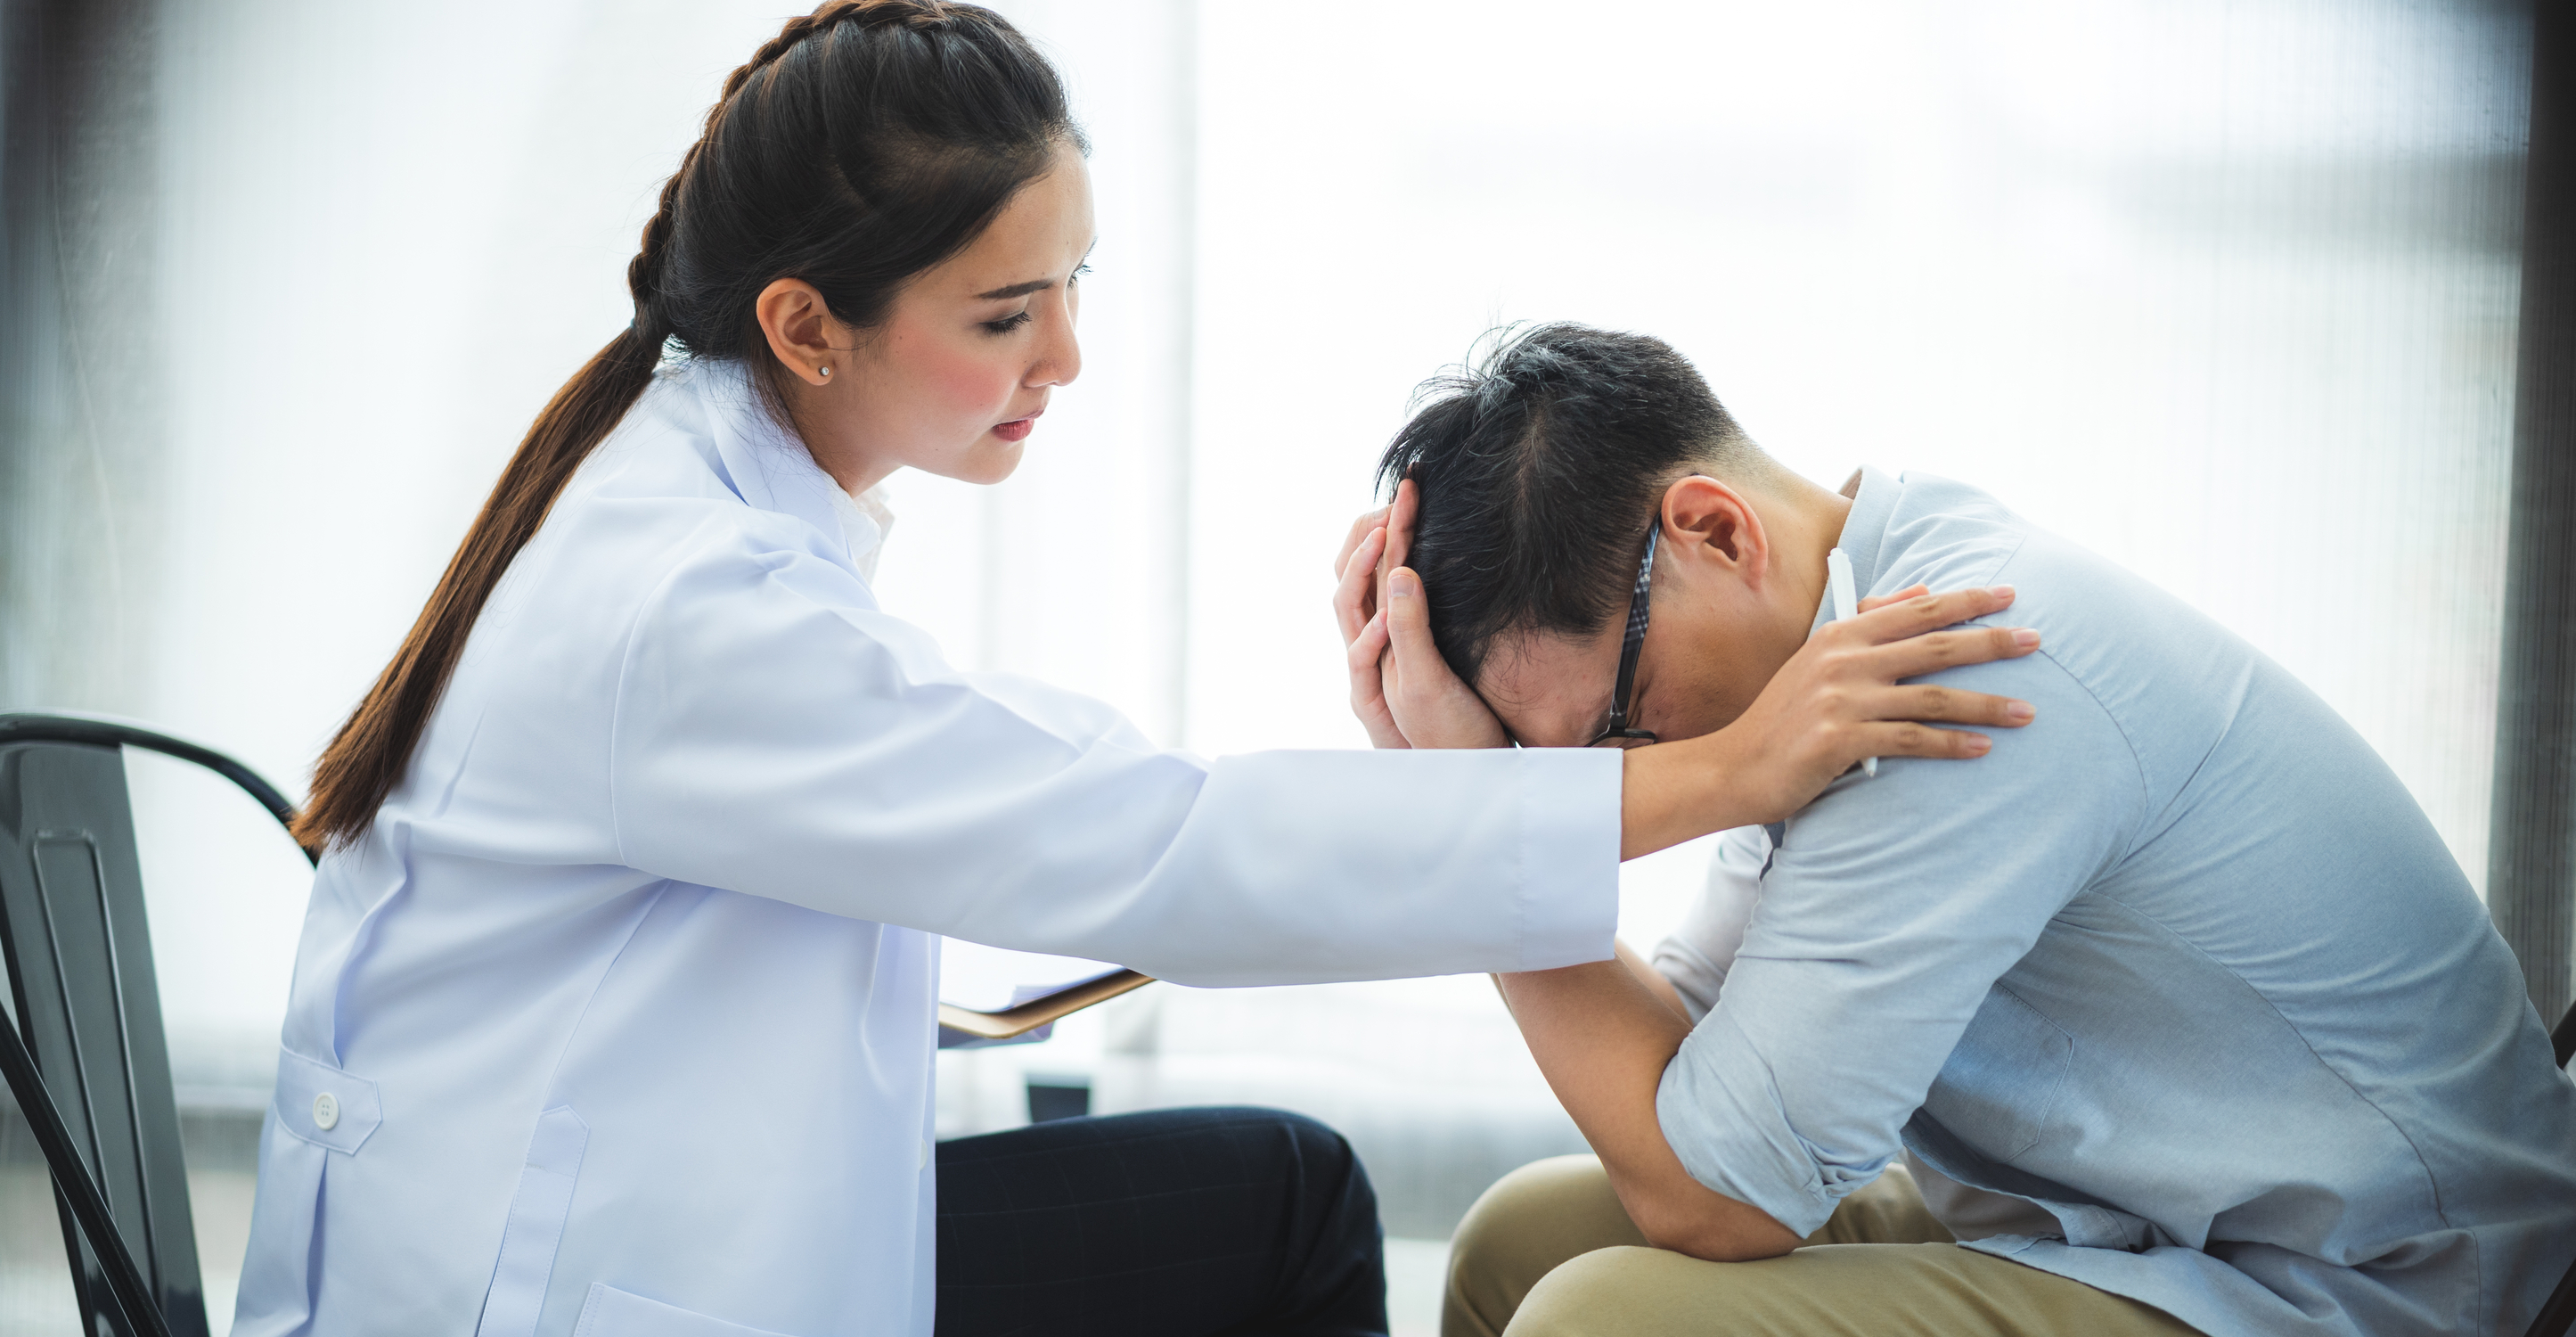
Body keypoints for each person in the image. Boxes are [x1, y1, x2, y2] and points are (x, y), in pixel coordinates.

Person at [231, 9, 2045, 1337]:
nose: (1071, 356)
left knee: (1273, 1190)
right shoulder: (685, 606)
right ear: (807, 325)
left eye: (1075, 284)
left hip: (641, 1226)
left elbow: (1079, 828)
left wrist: (1451, 806)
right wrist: (1722, 776)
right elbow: (1138, 843)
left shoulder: (698, 508)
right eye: (1007, 316)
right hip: (547, 1292)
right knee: (1286, 1206)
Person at [1333, 322, 2576, 1337]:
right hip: (2131, 1225)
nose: (1627, 785)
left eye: (1619, 727)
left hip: (2370, 1286)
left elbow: (1718, 1196)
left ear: (1715, 533)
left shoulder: (1960, 665)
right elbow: (1697, 1063)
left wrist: (1475, 832)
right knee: (1520, 1241)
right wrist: (1487, 814)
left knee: (1603, 1320)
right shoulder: (1841, 632)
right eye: (1560, 774)